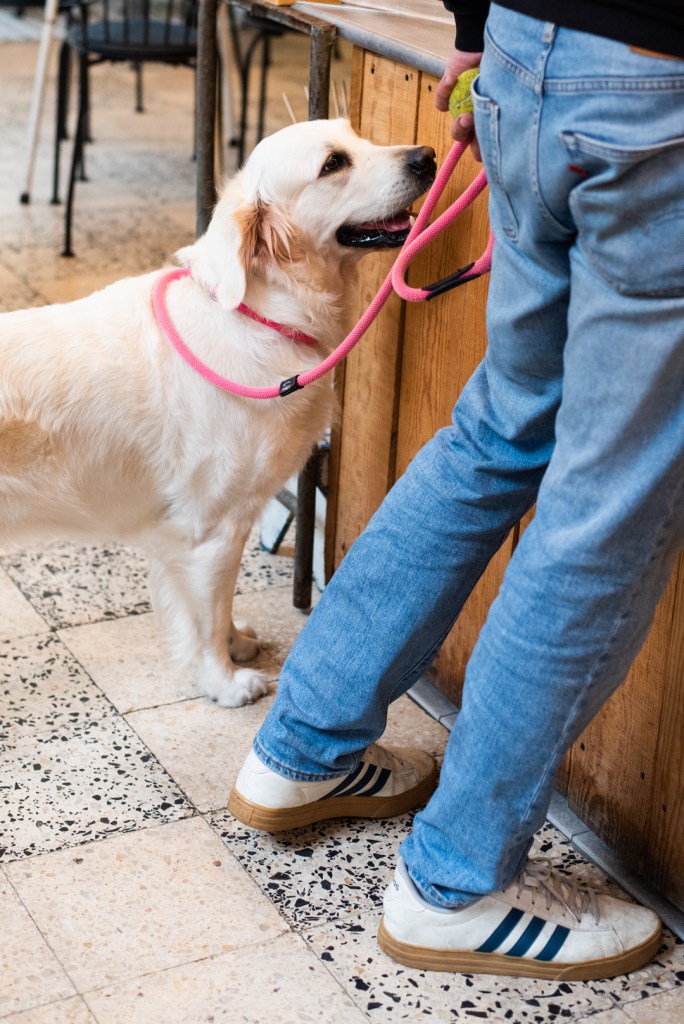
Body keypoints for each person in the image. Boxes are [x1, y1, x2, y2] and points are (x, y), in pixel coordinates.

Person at [228, 0, 684, 980]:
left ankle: (301, 750)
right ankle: (456, 885)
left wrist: (479, 25)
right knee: (603, 504)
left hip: (526, 49)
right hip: (660, 90)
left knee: (498, 432)